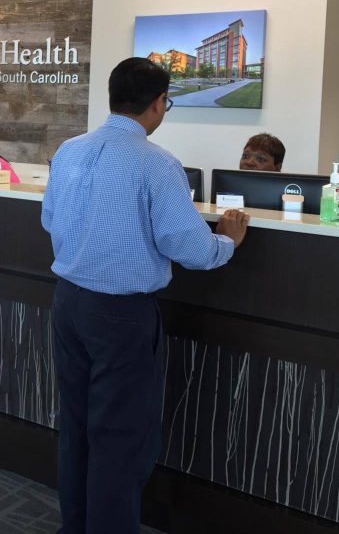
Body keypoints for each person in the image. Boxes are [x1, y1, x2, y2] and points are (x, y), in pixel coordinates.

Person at [41, 57, 249, 534]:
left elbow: (49, 220)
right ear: (158, 104)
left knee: (76, 427)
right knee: (119, 437)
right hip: (119, 316)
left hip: (67, 304)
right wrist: (228, 244)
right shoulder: (157, 163)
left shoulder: (70, 150)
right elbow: (190, 248)